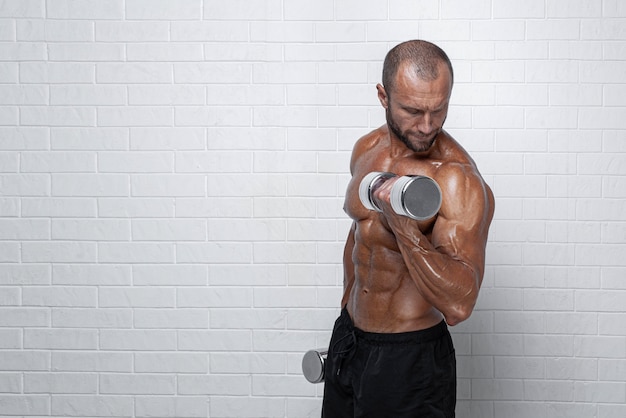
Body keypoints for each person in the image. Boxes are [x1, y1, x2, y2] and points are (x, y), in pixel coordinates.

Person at [321, 40, 495, 417]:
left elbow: (460, 304)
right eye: (413, 111)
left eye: (439, 109)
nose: (427, 125)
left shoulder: (455, 179)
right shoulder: (367, 149)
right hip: (351, 343)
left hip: (410, 359)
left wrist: (404, 230)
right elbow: (359, 236)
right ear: (383, 97)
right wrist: (346, 318)